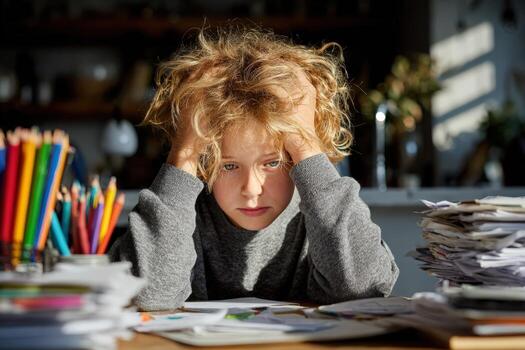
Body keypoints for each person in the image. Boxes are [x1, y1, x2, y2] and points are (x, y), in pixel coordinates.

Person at [110, 26, 399, 311]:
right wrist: (185, 152)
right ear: (204, 160)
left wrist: (307, 144)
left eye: (272, 163)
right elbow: (148, 296)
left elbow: (363, 288)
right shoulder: (181, 215)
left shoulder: (324, 214)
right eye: (230, 165)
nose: (251, 189)